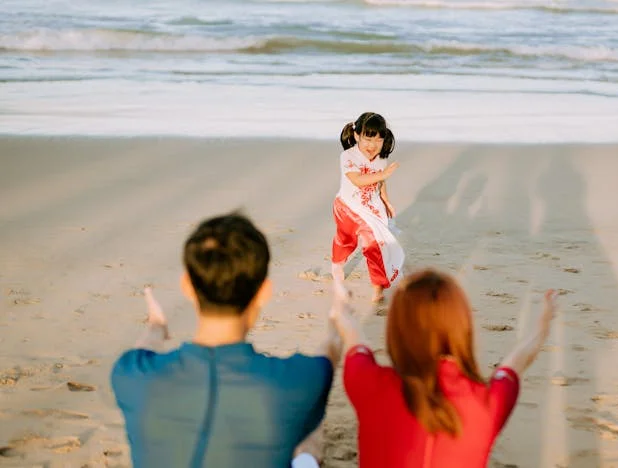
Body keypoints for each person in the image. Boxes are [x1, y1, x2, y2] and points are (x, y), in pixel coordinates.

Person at [111, 212, 341, 468]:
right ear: (264, 292)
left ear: (186, 286)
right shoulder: (299, 380)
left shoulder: (131, 375)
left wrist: (156, 327)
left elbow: (142, 352)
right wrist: (337, 320)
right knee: (308, 447)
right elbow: (329, 352)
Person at [329, 269, 556, 468]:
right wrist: (541, 330)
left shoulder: (369, 385)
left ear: (397, 331)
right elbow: (514, 364)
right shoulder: (488, 403)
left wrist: (342, 306)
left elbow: (353, 336)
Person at [331, 112, 404, 303]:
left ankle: (378, 287)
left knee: (374, 246)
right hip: (347, 208)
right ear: (357, 136)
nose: (372, 145)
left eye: (378, 140)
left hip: (371, 210)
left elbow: (381, 183)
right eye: (367, 139)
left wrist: (386, 200)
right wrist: (383, 175)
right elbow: (358, 180)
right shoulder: (348, 156)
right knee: (346, 241)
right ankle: (337, 262)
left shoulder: (381, 160)